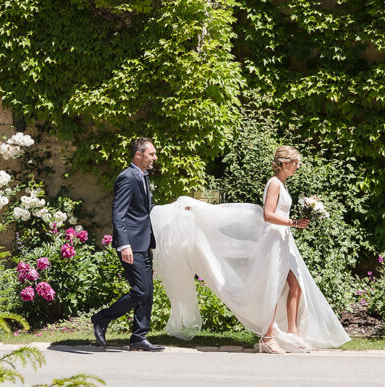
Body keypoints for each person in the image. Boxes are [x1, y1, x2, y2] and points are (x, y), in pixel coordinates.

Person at [150, 145, 350, 353]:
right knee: (273, 287)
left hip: (283, 240)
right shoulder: (273, 184)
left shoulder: (282, 184)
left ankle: (293, 332)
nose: (298, 166)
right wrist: (292, 222)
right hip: (273, 241)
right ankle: (267, 337)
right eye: (295, 163)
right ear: (285, 163)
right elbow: (268, 215)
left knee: (295, 284)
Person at [91, 138, 163, 352]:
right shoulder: (127, 177)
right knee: (140, 290)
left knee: (147, 292)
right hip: (131, 244)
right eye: (151, 154)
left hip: (143, 242)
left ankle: (138, 337)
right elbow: (118, 214)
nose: (155, 158)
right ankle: (101, 318)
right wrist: (124, 245)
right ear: (138, 155)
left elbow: (141, 211)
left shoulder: (142, 177)